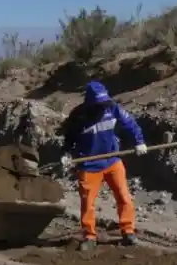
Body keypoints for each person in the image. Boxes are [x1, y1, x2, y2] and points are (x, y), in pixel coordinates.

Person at [60, 80, 147, 251]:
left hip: (112, 160)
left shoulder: (112, 108)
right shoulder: (78, 116)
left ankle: (128, 231)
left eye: (104, 103)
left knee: (124, 197)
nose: (102, 107)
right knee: (88, 203)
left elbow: (130, 124)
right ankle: (89, 235)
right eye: (98, 104)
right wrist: (66, 153)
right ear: (90, 103)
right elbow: (69, 137)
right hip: (88, 165)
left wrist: (139, 142)